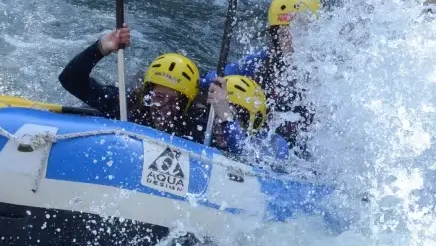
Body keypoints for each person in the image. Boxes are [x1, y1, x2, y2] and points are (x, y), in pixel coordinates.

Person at [57, 26, 288, 164]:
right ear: (147, 93)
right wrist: (100, 48)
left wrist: (226, 116)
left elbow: (245, 158)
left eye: (173, 101)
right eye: (158, 97)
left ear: (186, 104)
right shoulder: (130, 107)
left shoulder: (197, 128)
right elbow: (70, 80)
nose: (162, 107)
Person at [202, 0, 321, 154]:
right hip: (263, 138)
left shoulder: (324, 77)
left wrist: (227, 117)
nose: (291, 42)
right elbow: (210, 78)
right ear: (274, 37)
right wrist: (221, 92)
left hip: (296, 153)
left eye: (298, 34)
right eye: (284, 34)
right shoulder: (262, 61)